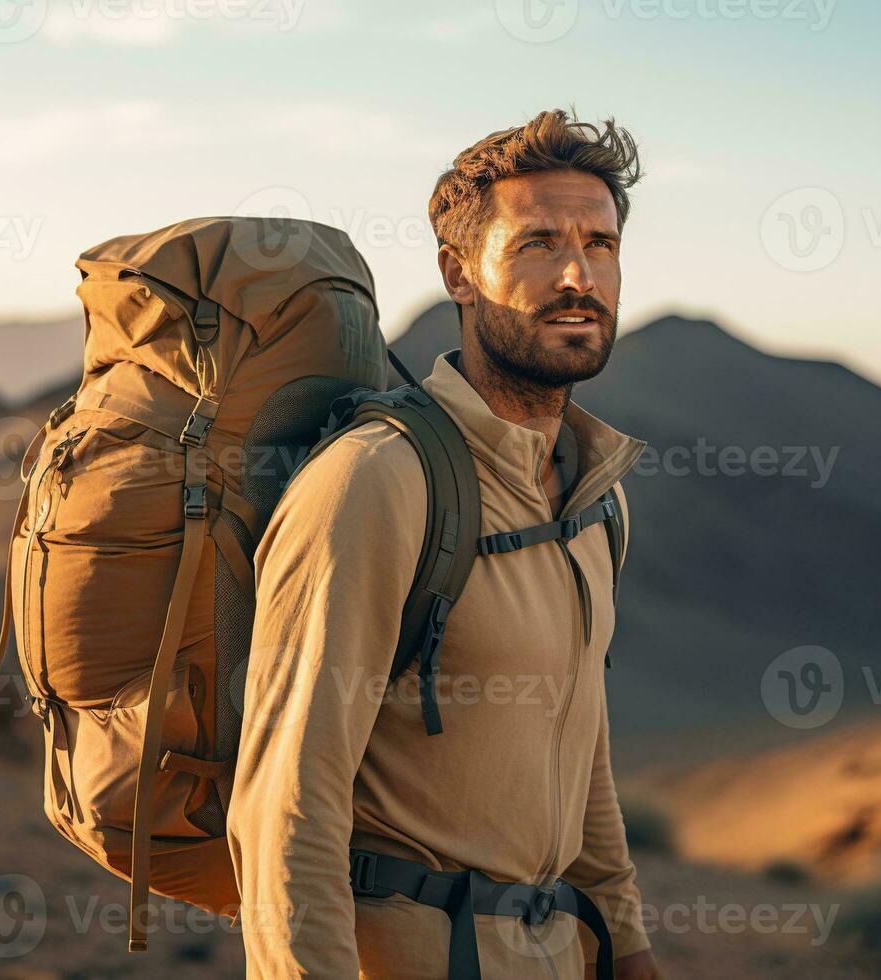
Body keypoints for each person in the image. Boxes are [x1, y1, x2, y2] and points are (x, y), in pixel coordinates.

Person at [229, 108, 660, 980]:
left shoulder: (591, 495)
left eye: (601, 243)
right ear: (459, 274)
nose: (579, 274)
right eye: (538, 242)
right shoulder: (379, 482)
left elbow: (583, 749)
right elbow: (285, 803)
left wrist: (627, 950)